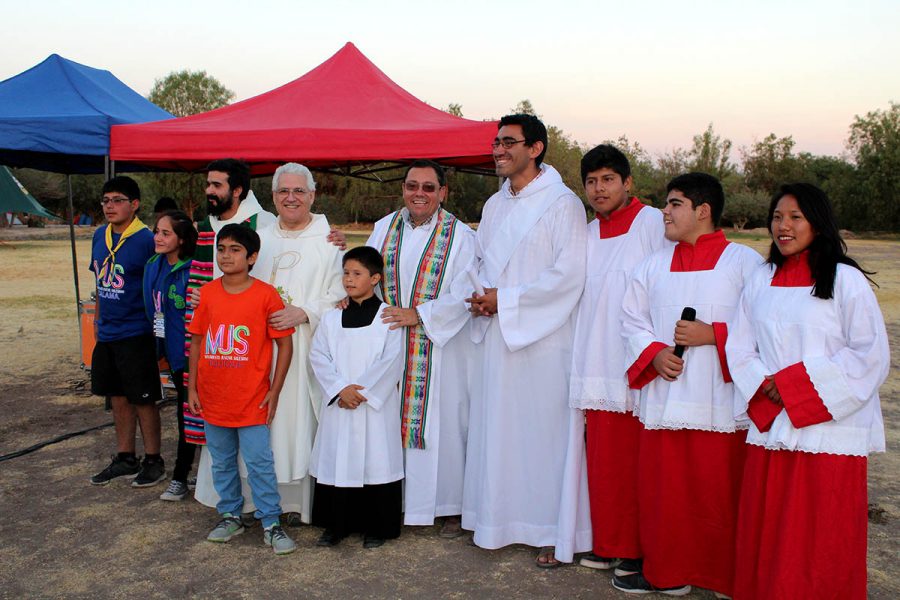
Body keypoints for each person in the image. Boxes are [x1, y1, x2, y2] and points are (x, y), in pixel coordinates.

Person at [726, 183, 888, 600]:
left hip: (828, 431)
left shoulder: (846, 281)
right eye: (778, 217)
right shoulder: (762, 278)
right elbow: (739, 346)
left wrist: (794, 386)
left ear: (817, 221)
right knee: (772, 525)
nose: (784, 226)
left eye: (795, 217)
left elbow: (869, 355)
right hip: (772, 425)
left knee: (819, 531)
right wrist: (768, 384)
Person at [617, 173, 761, 596]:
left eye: (674, 203)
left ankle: (723, 576)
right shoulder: (651, 265)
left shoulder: (744, 263)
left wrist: (714, 335)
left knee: (718, 493)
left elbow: (764, 327)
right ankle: (668, 570)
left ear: (703, 210)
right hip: (666, 398)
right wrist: (655, 353)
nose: (664, 210)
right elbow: (630, 321)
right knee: (667, 494)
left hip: (720, 400)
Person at [463, 114, 590, 566]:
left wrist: (508, 301)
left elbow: (569, 274)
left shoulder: (563, 204)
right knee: (499, 429)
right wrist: (479, 297)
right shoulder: (495, 205)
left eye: (508, 143)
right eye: (496, 142)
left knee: (543, 435)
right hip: (498, 336)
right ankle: (497, 519)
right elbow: (479, 261)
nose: (498, 150)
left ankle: (550, 529)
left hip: (543, 340)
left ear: (535, 149)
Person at [194, 163, 344, 524]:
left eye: (298, 191)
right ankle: (243, 500)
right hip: (249, 350)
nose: (290, 198)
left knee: (290, 422)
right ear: (272, 197)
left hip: (299, 344)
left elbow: (340, 293)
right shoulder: (258, 234)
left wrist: (304, 312)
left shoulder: (329, 241)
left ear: (312, 195)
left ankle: (292, 503)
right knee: (247, 418)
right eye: (283, 192)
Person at [567, 145, 671, 575]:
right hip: (595, 359)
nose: (598, 189)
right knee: (603, 461)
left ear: (628, 182)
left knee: (637, 464)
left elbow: (666, 284)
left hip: (637, 362)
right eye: (591, 181)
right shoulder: (587, 232)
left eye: (608, 179)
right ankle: (607, 541)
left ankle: (637, 548)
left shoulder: (651, 223)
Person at [366, 159, 475, 535]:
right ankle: (392, 500)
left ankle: (448, 506)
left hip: (440, 347)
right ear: (403, 189)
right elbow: (364, 273)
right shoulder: (382, 229)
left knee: (445, 422)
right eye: (413, 186)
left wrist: (422, 315)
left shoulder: (461, 236)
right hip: (391, 343)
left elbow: (467, 290)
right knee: (388, 419)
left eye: (429, 188)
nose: (419, 194)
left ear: (443, 193)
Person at [186, 224, 296, 555]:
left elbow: (285, 346)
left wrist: (274, 391)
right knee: (221, 461)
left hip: (251, 400)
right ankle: (231, 514)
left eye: (235, 250)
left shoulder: (266, 295)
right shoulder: (207, 294)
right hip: (213, 398)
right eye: (222, 249)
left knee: (259, 461)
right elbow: (197, 341)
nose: (226, 255)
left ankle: (271, 522)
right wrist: (191, 387)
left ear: (252, 257)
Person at [308, 246, 405, 548]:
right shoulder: (331, 318)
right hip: (340, 403)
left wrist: (361, 392)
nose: (349, 280)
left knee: (375, 462)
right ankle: (336, 526)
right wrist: (340, 389)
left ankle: (377, 527)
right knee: (338, 460)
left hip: (373, 407)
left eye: (357, 274)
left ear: (375, 278)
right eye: (346, 273)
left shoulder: (387, 318)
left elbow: (391, 361)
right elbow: (318, 355)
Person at [88, 176, 165, 488]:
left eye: (118, 200)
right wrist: (96, 320)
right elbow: (99, 281)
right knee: (117, 396)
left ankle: (153, 459)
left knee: (143, 398)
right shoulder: (99, 235)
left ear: (135, 205)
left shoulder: (146, 239)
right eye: (106, 200)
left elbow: (158, 284)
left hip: (137, 331)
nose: (110, 206)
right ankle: (125, 456)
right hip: (108, 331)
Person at [143, 210, 198, 501]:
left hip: (194, 354)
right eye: (157, 231)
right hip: (171, 353)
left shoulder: (195, 268)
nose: (158, 237)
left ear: (182, 239)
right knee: (186, 412)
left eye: (166, 233)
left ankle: (181, 476)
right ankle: (186, 473)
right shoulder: (153, 265)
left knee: (187, 414)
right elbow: (153, 309)